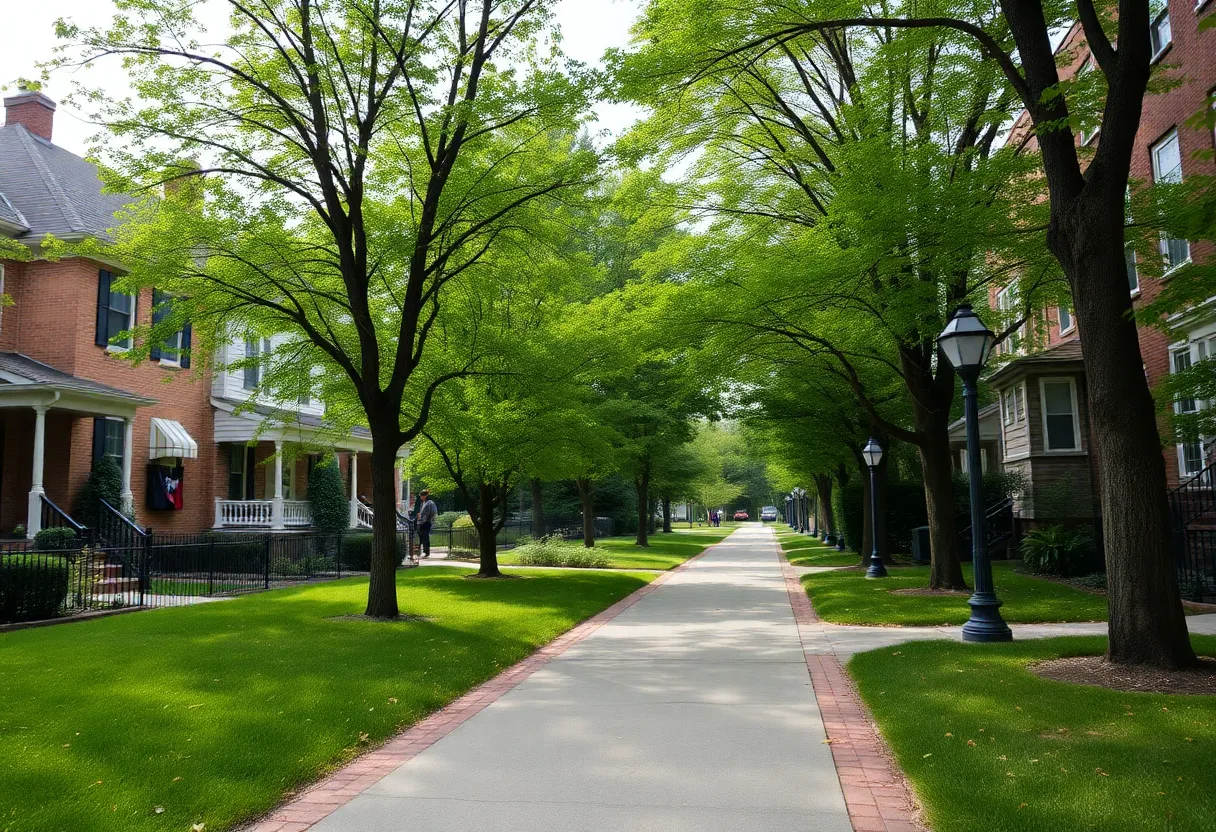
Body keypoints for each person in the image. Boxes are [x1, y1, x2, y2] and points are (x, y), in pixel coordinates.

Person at [416, 489, 438, 558]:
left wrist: (425, 519)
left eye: (421, 496)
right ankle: (422, 551)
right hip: (422, 522)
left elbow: (431, 513)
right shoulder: (424, 503)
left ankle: (426, 552)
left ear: (425, 496)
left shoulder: (429, 503)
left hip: (426, 523)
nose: (421, 498)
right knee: (421, 537)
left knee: (425, 537)